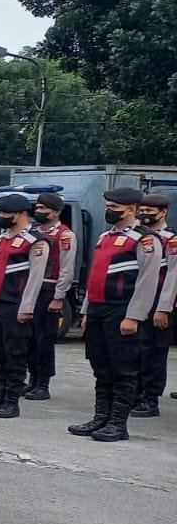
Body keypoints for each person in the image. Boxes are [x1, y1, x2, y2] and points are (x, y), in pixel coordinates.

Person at [68, 188, 162, 442]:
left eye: (114, 207)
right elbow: (95, 278)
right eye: (108, 205)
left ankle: (118, 423)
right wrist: (86, 310)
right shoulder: (105, 237)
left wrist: (135, 316)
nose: (109, 211)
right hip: (99, 309)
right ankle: (101, 417)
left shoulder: (144, 239)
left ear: (131, 209)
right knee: (101, 366)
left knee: (124, 368)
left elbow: (147, 281)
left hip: (122, 310)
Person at [0, 195, 48, 418]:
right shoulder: (2, 238)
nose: (2, 218)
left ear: (21, 214)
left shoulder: (35, 241)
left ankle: (11, 401)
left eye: (6, 214)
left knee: (15, 353)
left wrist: (27, 308)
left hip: (15, 303)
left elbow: (35, 278)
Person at [26, 193, 75, 400]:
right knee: (28, 339)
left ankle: (43, 383)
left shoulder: (65, 235)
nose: (39, 212)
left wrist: (59, 296)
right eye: (37, 208)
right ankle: (32, 380)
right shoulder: (32, 232)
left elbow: (66, 268)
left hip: (49, 291)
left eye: (44, 209)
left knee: (44, 340)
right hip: (30, 291)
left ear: (56, 212)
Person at [133, 193, 177, 417]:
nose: (144, 215)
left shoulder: (171, 239)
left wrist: (164, 307)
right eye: (143, 210)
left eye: (150, 212)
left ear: (163, 212)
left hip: (158, 303)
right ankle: (134, 394)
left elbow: (173, 274)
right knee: (134, 351)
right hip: (135, 303)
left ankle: (150, 399)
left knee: (154, 353)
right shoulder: (137, 237)